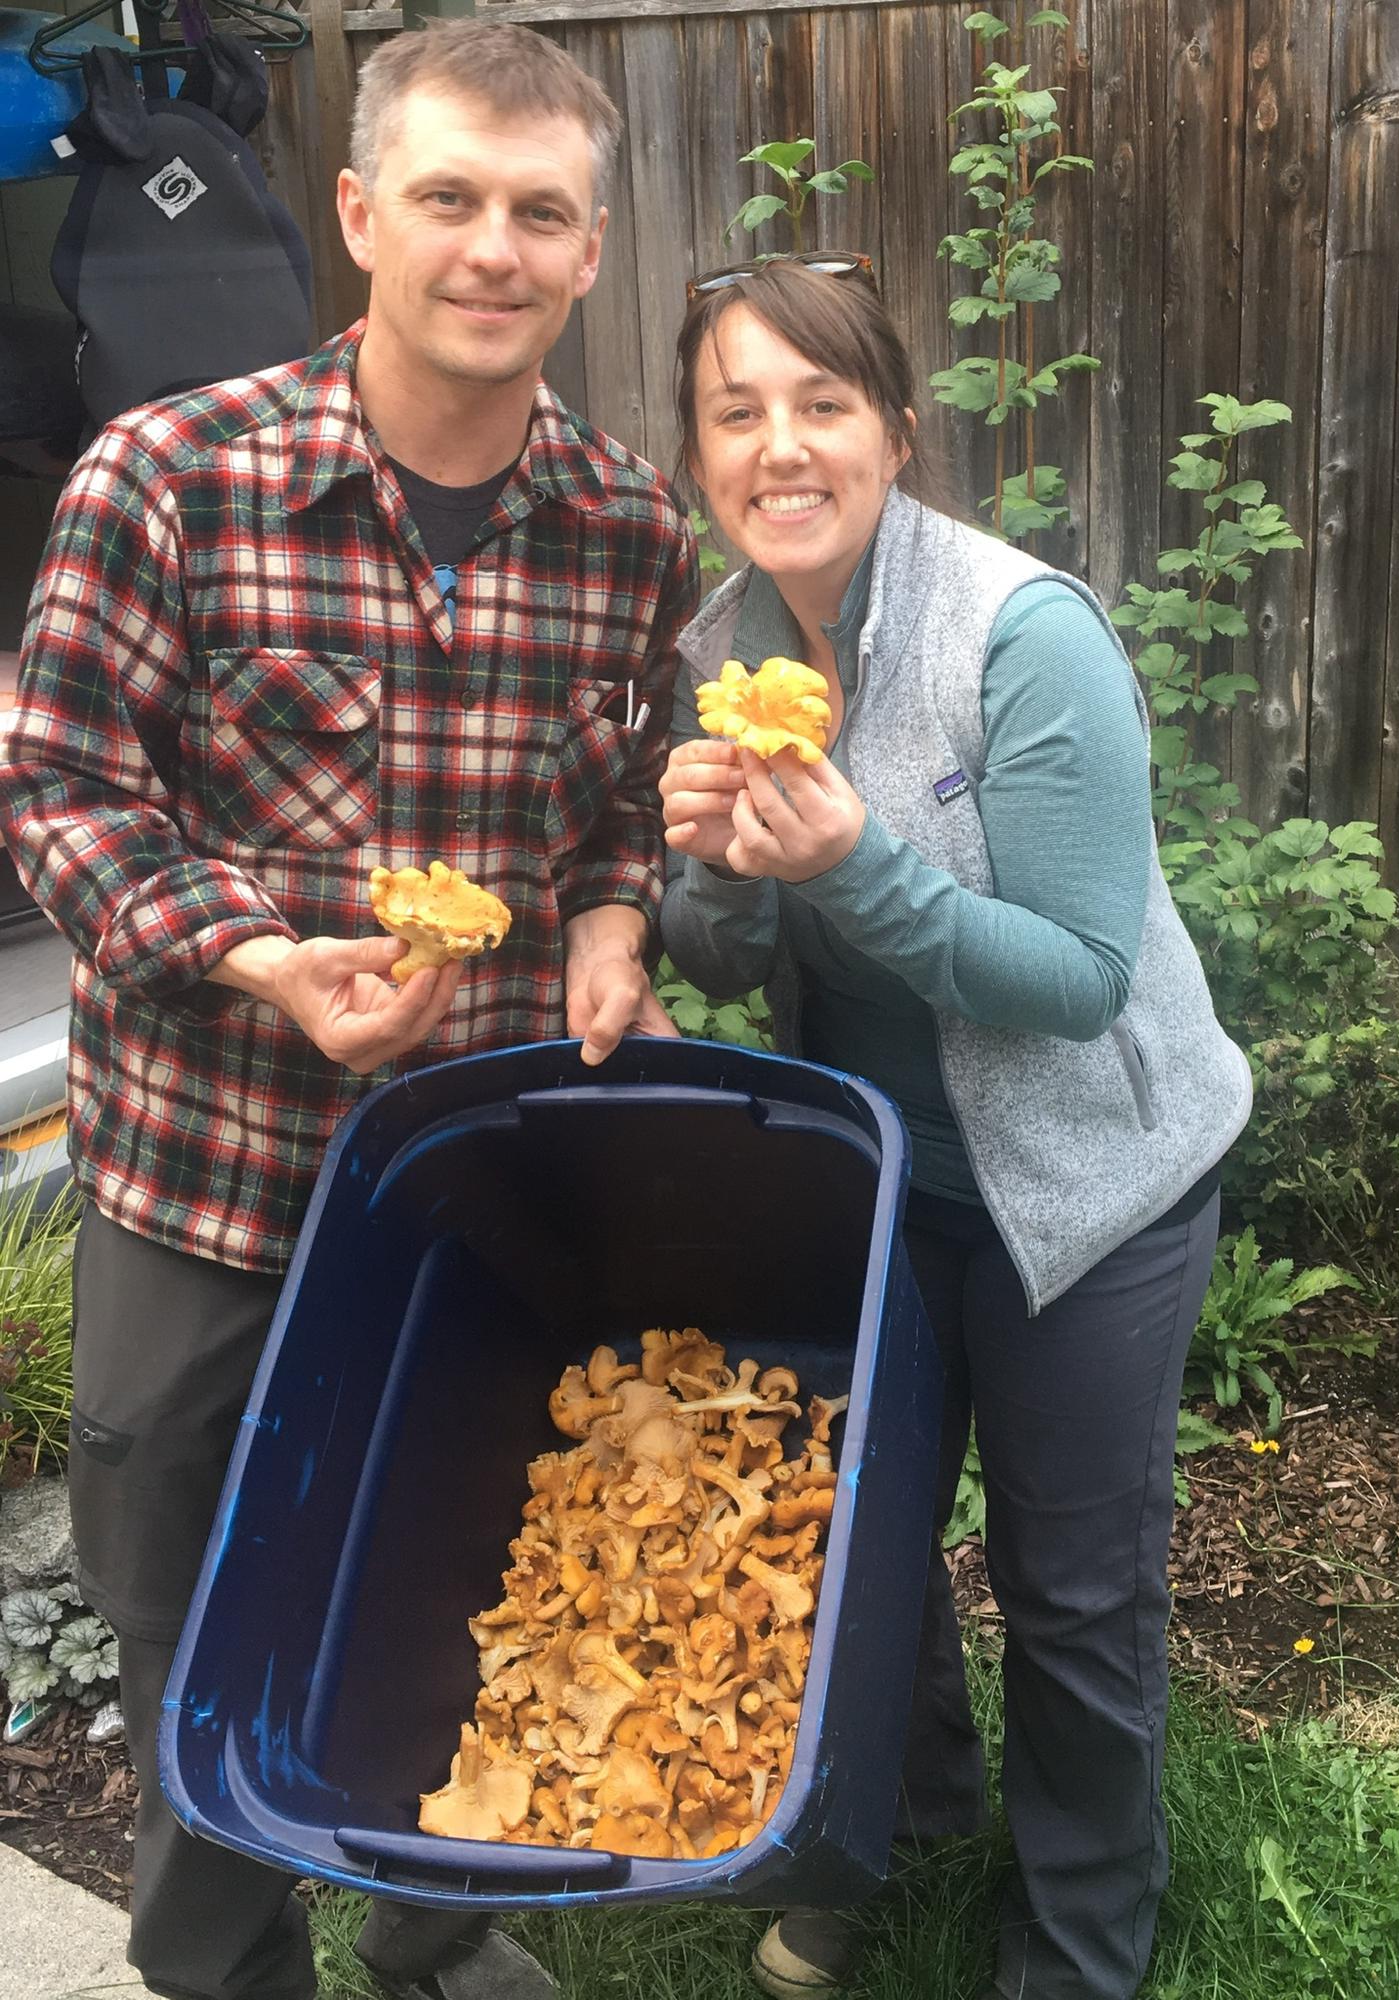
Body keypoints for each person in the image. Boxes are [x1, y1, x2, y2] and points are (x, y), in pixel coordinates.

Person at [0, 21, 694, 2000]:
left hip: (469, 1188)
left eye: (537, 211)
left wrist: (611, 924)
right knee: (185, 1604)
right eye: (451, 197)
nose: (492, 245)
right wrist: (247, 953)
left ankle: (439, 1930)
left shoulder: (625, 533)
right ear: (360, 214)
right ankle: (224, 1965)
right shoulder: (172, 475)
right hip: (208, 1188)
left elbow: (619, 816)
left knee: (461, 1552)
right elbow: (51, 784)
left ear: (584, 251)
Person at [658, 256, 1252, 2000]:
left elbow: (1071, 978)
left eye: (821, 404)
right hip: (883, 1183)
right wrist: (710, 868)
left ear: (895, 432)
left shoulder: (1022, 634)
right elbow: (726, 952)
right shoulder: (724, 640)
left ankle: (1077, 1935)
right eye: (736, 412)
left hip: (1092, 1183)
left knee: (1068, 1587)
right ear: (699, 454)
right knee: (867, 1533)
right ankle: (901, 1824)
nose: (781, 447)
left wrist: (853, 861)